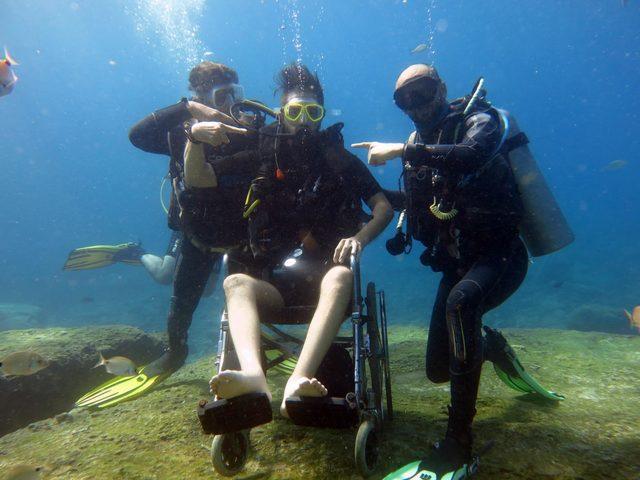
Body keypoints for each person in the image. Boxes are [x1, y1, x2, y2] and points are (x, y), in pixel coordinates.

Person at [354, 64, 562, 479]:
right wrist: (358, 188)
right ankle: (490, 347)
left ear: (441, 88)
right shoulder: (419, 145)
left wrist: (400, 151)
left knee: (462, 302)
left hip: (501, 257)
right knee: (436, 369)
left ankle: (458, 444)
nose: (415, 106)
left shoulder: (480, 119)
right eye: (404, 100)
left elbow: (475, 154)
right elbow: (414, 204)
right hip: (458, 263)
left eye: (422, 92)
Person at [197, 63, 393, 424]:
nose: (304, 121)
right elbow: (204, 178)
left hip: (326, 288)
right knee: (234, 281)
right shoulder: (262, 153)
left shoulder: (337, 159)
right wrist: (195, 139)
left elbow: (382, 206)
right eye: (294, 111)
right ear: (281, 113)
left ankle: (296, 381)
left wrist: (359, 238)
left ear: (321, 116)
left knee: (340, 276)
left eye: (312, 112)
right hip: (275, 287)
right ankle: (255, 379)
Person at [74, 62, 255, 409]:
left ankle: (255, 346)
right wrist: (188, 110)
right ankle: (174, 351)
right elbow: (136, 135)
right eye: (220, 95)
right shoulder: (180, 133)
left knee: (245, 296)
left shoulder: (251, 127)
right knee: (176, 292)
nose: (230, 102)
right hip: (197, 234)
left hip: (242, 233)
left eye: (235, 93)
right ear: (201, 97)